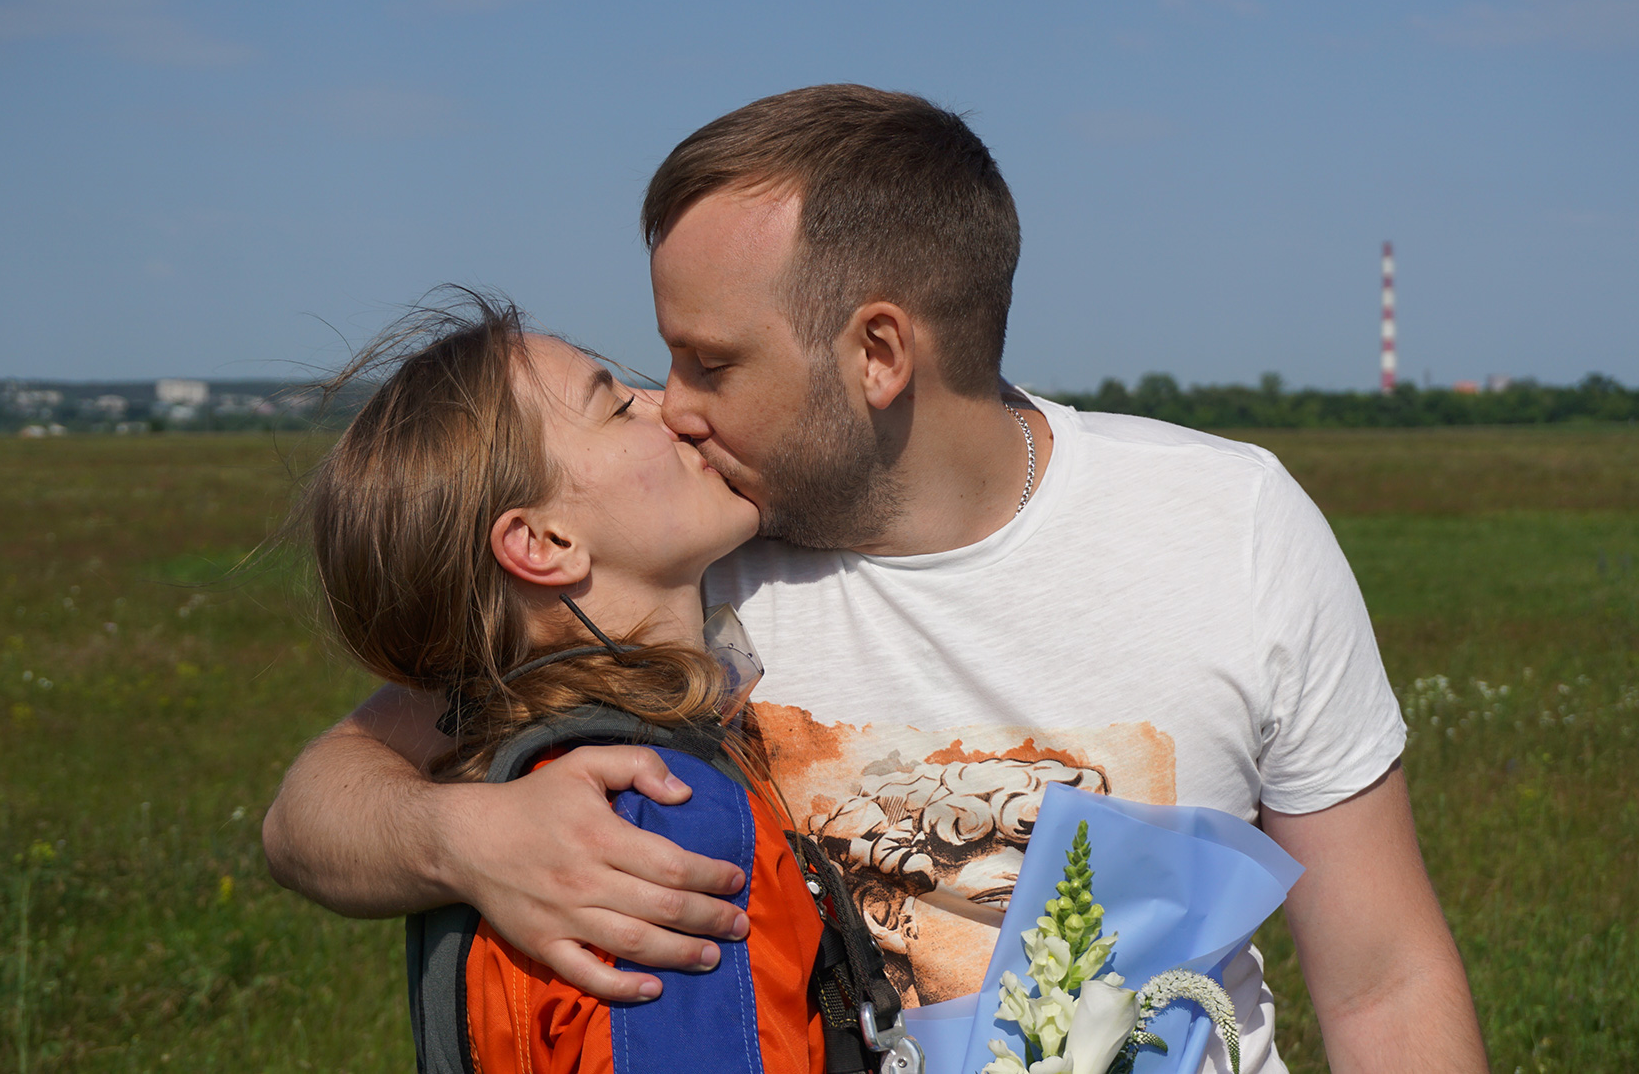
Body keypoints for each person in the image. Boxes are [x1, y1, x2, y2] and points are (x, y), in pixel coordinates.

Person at [264, 85, 1489, 1073]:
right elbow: (315, 805)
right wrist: (461, 837)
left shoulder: (1230, 526)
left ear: (877, 354)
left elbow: (1383, 982)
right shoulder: (679, 568)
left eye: (709, 363)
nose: (673, 407)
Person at [293, 292, 827, 1072]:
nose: (668, 405)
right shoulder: (648, 813)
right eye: (615, 407)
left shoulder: (497, 757)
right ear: (544, 542)